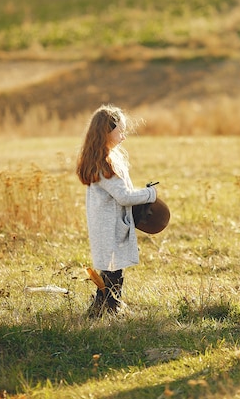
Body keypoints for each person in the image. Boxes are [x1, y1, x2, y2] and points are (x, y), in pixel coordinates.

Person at [76, 104, 157, 318]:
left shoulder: (106, 160)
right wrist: (151, 194)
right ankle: (110, 309)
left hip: (109, 223)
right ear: (106, 132)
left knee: (111, 270)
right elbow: (124, 196)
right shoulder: (104, 165)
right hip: (108, 226)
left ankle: (102, 309)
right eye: (119, 131)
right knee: (113, 271)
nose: (123, 137)